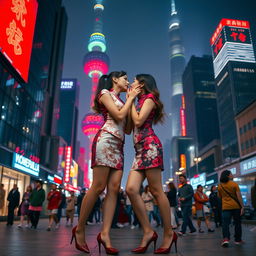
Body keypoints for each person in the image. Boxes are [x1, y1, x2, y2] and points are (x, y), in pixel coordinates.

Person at [72, 71, 141, 254]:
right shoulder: (105, 93)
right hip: (105, 140)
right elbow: (118, 117)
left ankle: (105, 234)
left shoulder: (122, 99)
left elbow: (126, 129)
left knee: (114, 190)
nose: (128, 81)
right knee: (98, 186)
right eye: (125, 78)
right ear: (115, 79)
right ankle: (79, 228)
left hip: (119, 145)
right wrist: (130, 99)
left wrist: (131, 101)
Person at [126, 74, 177, 254]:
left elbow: (139, 121)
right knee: (131, 189)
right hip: (139, 150)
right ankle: (148, 231)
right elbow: (129, 128)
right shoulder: (138, 101)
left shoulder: (149, 98)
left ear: (142, 84)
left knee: (156, 191)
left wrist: (131, 101)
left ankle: (169, 233)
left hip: (150, 146)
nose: (131, 83)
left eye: (134, 81)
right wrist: (130, 101)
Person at [218, 170, 244, 247]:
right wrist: (242, 206)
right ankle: (237, 240)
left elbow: (219, 197)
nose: (232, 175)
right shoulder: (234, 184)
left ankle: (226, 239)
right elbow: (239, 196)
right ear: (228, 176)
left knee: (225, 224)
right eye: (231, 174)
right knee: (237, 223)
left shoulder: (220, 186)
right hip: (236, 206)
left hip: (225, 207)